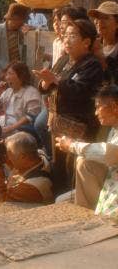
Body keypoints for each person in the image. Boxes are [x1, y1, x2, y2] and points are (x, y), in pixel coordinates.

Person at [35, 19, 103, 193]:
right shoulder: (64, 59)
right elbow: (50, 84)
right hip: (58, 123)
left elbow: (80, 91)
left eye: (72, 35)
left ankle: (71, 201)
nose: (66, 39)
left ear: (86, 42)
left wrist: (55, 80)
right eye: (65, 35)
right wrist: (44, 83)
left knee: (73, 167)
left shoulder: (92, 64)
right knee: (59, 165)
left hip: (78, 126)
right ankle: (59, 199)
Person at [55, 84, 118, 216]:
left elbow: (109, 153)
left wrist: (72, 145)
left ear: (114, 107)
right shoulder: (113, 128)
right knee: (60, 201)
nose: (95, 113)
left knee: (84, 161)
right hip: (110, 182)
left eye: (98, 107)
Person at [0, 3, 31, 92]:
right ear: (14, 18)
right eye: (21, 20)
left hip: (16, 79)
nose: (23, 23)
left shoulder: (22, 32)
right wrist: (1, 71)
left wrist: (29, 33)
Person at [0, 62, 41, 139]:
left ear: (21, 77)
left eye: (10, 74)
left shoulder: (31, 92)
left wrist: (11, 128)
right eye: (7, 74)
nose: (7, 77)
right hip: (4, 127)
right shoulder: (8, 91)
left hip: (21, 131)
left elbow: (31, 116)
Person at [88, 1, 118, 85]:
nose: (99, 21)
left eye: (105, 18)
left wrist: (102, 60)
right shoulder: (92, 44)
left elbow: (114, 82)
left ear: (117, 23)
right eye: (97, 17)